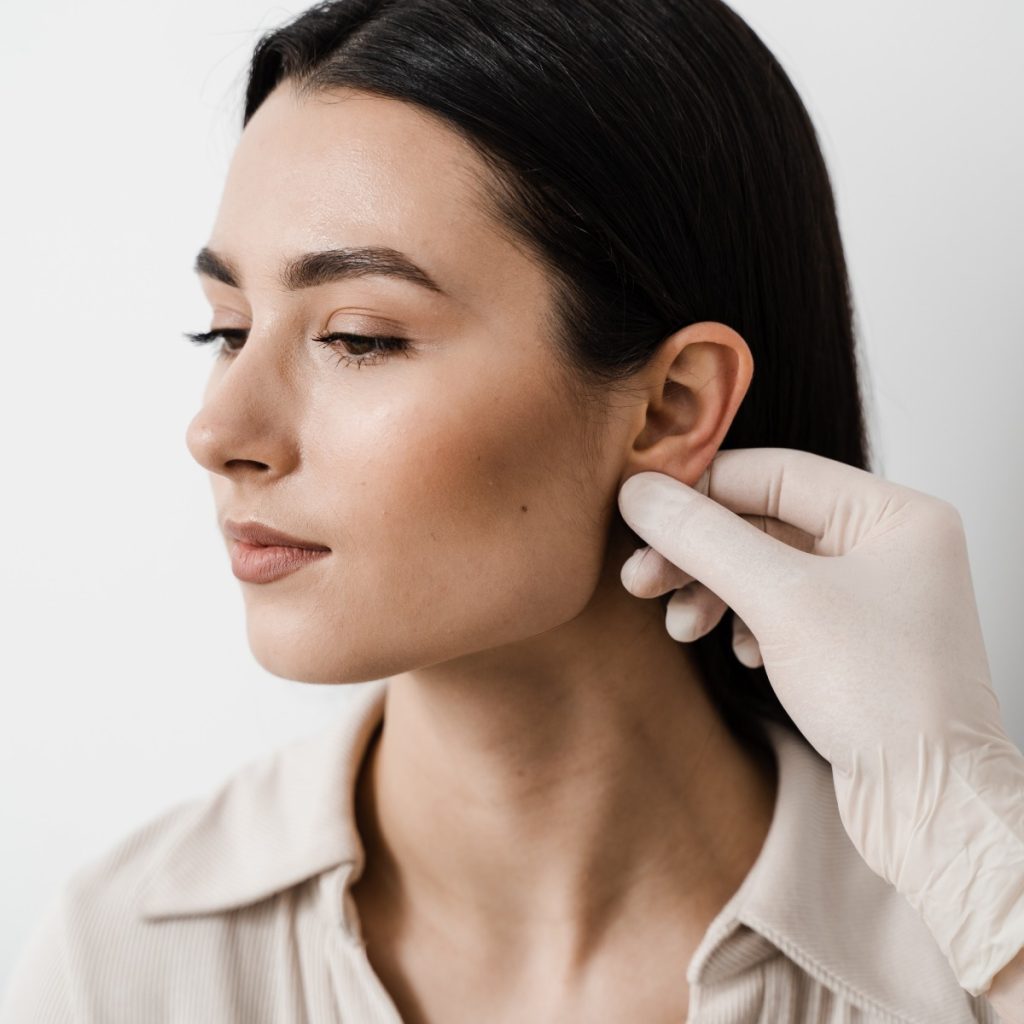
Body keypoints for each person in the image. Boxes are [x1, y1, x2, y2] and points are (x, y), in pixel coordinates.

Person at [1, 1, 1015, 1021]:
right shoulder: (122, 961)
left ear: (672, 404)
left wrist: (972, 837)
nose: (218, 432)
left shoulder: (962, 937)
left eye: (358, 337)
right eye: (225, 327)